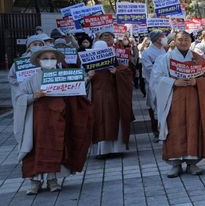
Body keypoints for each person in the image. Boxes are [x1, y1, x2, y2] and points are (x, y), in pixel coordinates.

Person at [12, 46, 93, 194]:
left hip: (58, 119)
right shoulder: (31, 80)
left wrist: (86, 79)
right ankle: (34, 182)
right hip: (37, 121)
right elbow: (19, 97)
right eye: (45, 58)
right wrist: (33, 96)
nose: (49, 61)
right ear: (38, 61)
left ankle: (52, 180)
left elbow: (75, 91)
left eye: (52, 58)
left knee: (57, 146)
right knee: (35, 148)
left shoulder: (63, 76)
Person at [152, 31, 205, 177]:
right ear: (174, 41)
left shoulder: (198, 59)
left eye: (186, 40)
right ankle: (175, 163)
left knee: (193, 128)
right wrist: (173, 82)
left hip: (194, 100)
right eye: (180, 40)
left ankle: (192, 163)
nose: (183, 42)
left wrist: (197, 81)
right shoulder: (164, 59)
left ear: (191, 41)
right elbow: (156, 79)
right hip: (173, 99)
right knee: (174, 129)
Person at [87, 39, 135, 159]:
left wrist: (116, 73)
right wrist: (88, 77)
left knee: (114, 121)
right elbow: (78, 81)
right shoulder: (88, 65)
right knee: (99, 122)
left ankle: (117, 149)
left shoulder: (116, 63)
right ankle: (102, 151)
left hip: (113, 97)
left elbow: (127, 74)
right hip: (96, 98)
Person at [141, 31, 166, 138]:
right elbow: (148, 68)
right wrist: (163, 70)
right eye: (163, 37)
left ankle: (164, 129)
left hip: (165, 82)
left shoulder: (163, 50)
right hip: (153, 83)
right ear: (157, 39)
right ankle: (155, 131)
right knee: (153, 105)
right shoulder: (147, 52)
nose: (165, 38)